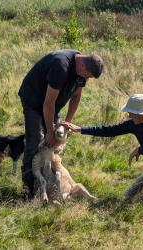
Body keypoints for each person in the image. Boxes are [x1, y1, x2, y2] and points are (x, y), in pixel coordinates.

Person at [61, 94, 143, 202]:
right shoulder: (135, 124)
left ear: (140, 114)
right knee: (127, 197)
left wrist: (141, 149)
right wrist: (81, 129)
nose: (128, 115)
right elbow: (110, 130)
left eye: (130, 113)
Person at [18, 49, 103, 200]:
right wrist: (49, 132)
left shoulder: (81, 70)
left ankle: (52, 185)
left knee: (55, 143)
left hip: (51, 104)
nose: (86, 79)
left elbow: (76, 96)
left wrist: (67, 122)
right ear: (83, 67)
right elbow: (48, 103)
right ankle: (29, 192)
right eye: (87, 76)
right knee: (35, 142)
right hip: (34, 100)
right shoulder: (61, 66)